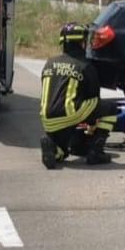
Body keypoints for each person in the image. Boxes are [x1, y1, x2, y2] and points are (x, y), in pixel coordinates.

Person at [39, 23, 117, 168]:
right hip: (71, 113)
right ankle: (96, 152)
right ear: (82, 42)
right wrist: (92, 128)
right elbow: (94, 99)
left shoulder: (49, 63)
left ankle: (55, 149)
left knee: (63, 149)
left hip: (47, 118)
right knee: (110, 108)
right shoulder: (85, 66)